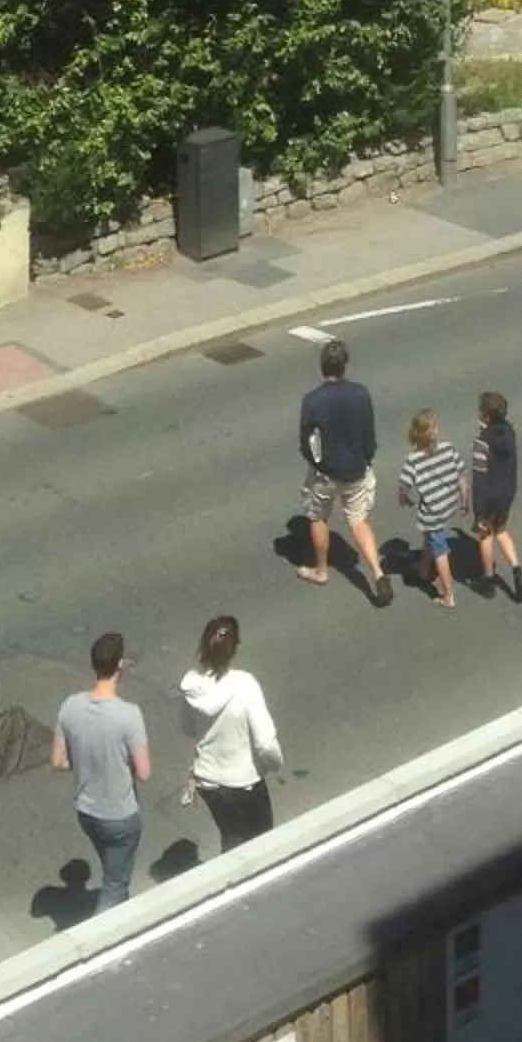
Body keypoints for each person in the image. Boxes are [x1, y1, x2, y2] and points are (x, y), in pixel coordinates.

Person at [51, 629, 150, 911]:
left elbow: (58, 761)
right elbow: (143, 772)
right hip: (120, 815)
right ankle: (104, 938)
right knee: (115, 885)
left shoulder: (70, 706)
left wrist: (85, 761)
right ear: (120, 665)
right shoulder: (129, 714)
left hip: (87, 811)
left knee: (111, 870)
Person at [296, 336, 391, 605]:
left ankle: (321, 570)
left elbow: (305, 441)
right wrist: (366, 458)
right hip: (356, 470)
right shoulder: (361, 393)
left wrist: (316, 464)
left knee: (317, 517)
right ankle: (378, 572)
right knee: (358, 520)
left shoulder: (312, 401)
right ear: (344, 366)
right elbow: (368, 435)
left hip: (326, 472)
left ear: (322, 366)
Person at [178, 614, 284, 853]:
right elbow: (265, 743)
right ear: (234, 649)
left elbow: (188, 729)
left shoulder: (191, 687)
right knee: (263, 843)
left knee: (231, 836)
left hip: (209, 780)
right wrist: (274, 764)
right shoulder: (245, 684)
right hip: (244, 781)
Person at [398, 406, 468, 606]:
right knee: (431, 535)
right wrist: (464, 501)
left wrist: (404, 499)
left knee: (440, 549)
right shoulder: (449, 448)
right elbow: (462, 477)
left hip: (432, 512)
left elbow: (404, 487)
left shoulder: (413, 460)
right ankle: (423, 567)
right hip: (448, 505)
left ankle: (448, 595)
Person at [470, 389, 522, 602]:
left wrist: (478, 513)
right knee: (501, 530)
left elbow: (479, 478)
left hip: (489, 497)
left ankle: (488, 580)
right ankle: (517, 570)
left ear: (486, 416)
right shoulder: (509, 432)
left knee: (485, 534)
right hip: (507, 492)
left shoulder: (483, 441)